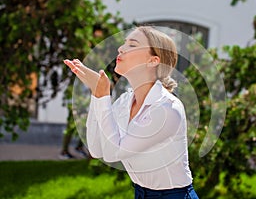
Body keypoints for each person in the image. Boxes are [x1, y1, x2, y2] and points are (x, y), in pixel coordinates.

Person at [64, 26, 199, 199]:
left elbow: (114, 153)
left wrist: (104, 95)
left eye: (132, 45)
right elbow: (97, 150)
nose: (121, 48)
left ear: (153, 60)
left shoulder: (167, 110)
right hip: (140, 193)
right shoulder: (125, 102)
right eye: (124, 43)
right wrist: (97, 95)